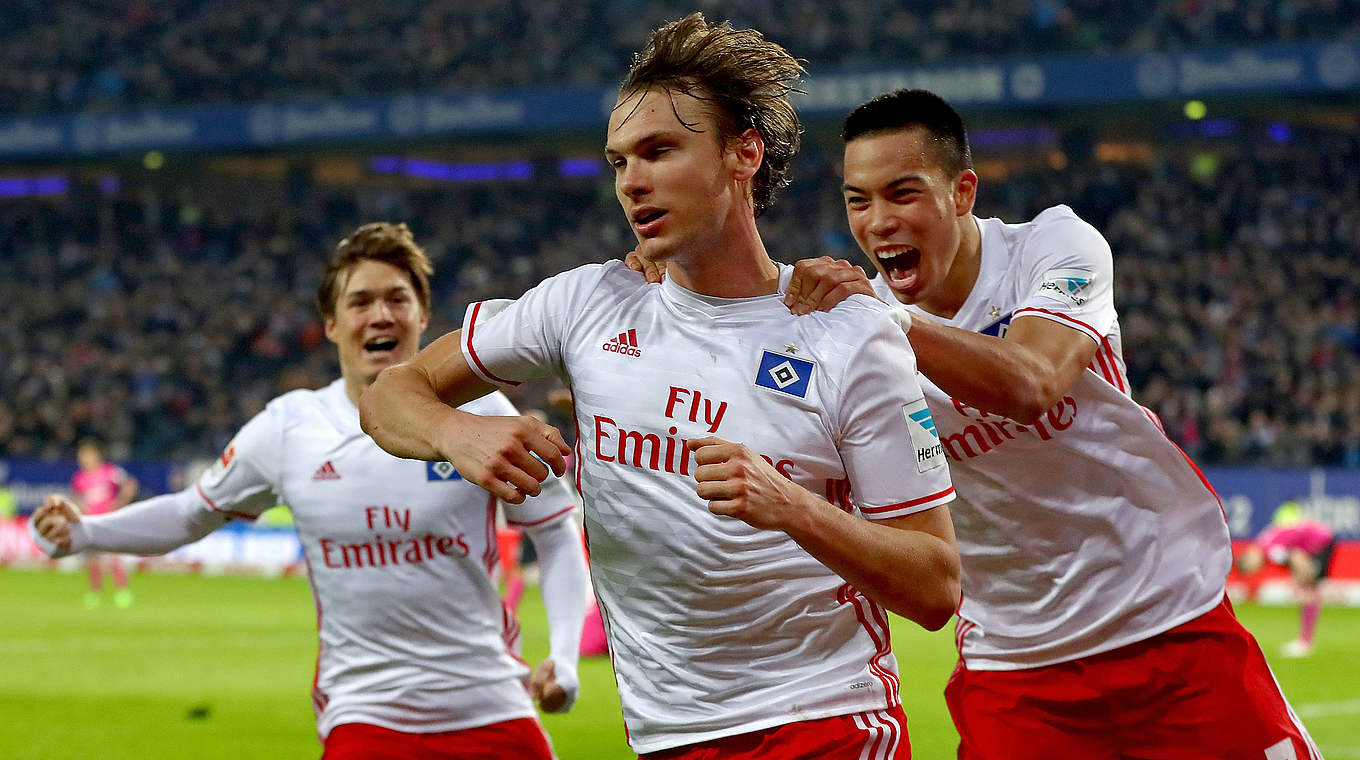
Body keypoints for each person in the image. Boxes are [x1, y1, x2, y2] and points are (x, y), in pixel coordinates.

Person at [360, 14, 960, 760]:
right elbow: (390, 393)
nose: (631, 181)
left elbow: (936, 587)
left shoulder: (847, 335)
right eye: (618, 162)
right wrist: (459, 432)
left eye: (659, 151)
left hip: (822, 723)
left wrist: (793, 508)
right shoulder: (587, 303)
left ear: (744, 154)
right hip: (663, 736)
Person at [769, 88, 1321, 758]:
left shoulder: (1052, 247)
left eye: (903, 193)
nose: (879, 220)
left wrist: (892, 324)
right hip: (1015, 667)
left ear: (963, 192)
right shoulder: (859, 337)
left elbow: (1031, 384)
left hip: (1168, 621)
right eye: (860, 200)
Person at [31, 222, 591, 760]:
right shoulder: (289, 427)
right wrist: (85, 532)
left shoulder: (479, 413)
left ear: (423, 315)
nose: (381, 315)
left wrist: (563, 659)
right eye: (360, 301)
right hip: (365, 715)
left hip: (490, 704)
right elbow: (190, 513)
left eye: (397, 299)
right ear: (331, 323)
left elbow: (557, 535)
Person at [1236, 501, 1336, 658]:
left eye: (1251, 567)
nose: (1255, 569)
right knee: (1308, 591)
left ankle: (1305, 643)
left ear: (1250, 555)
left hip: (1320, 542)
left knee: (1308, 592)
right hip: (1319, 539)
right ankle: (1305, 641)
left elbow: (1296, 557)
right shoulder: (1265, 543)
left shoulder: (1269, 550)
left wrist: (1300, 580)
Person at [69, 438, 139, 608]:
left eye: (87, 454)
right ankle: (95, 591)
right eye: (82, 455)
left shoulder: (110, 471)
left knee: (113, 556)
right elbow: (75, 497)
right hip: (90, 522)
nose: (84, 458)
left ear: (96, 455)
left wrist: (118, 503)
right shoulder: (79, 478)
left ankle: (122, 591)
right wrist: (80, 508)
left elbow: (130, 485)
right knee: (92, 559)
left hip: (109, 521)